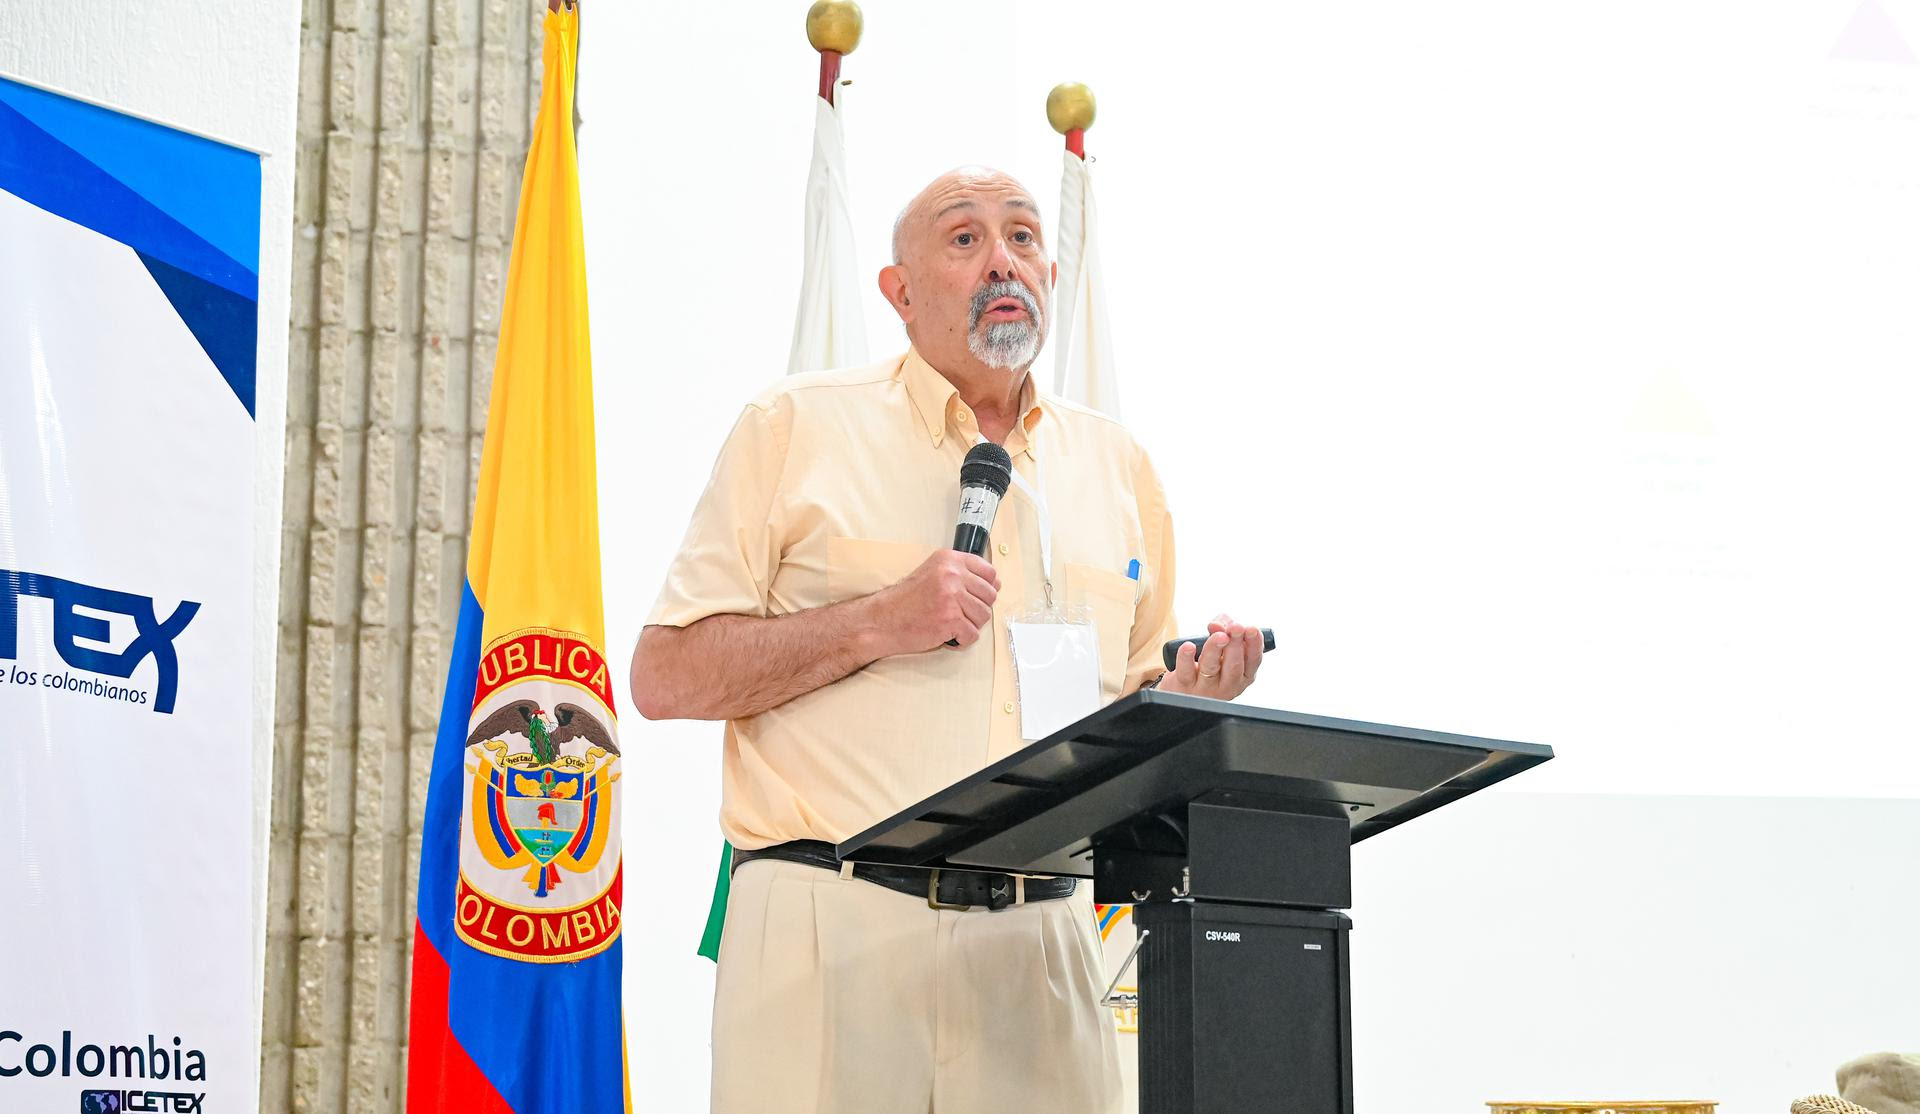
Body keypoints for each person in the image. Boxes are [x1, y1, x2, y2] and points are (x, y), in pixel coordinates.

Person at [630, 166, 1265, 1113]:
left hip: (1040, 948)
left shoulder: (1117, 465)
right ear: (900, 291)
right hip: (829, 930)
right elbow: (665, 675)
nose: (1002, 261)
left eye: (1022, 237)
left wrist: (1194, 701)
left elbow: (1128, 718)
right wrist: (878, 621)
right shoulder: (797, 426)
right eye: (965, 240)